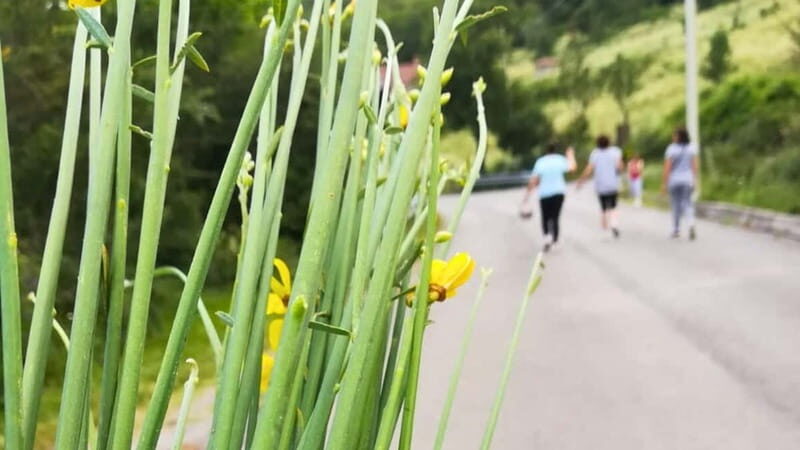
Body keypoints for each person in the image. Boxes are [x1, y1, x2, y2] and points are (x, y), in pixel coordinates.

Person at [522, 143, 577, 252]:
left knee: (545, 216)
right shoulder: (560, 159)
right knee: (555, 216)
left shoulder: (541, 162)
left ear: (546, 151)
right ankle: (555, 238)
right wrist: (570, 155)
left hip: (545, 193)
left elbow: (534, 179)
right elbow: (572, 168)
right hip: (558, 192)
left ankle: (547, 236)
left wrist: (527, 195)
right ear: (555, 150)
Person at [577, 135, 624, 238]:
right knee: (613, 206)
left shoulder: (595, 154)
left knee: (603, 206)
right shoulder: (616, 152)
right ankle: (614, 224)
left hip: (601, 185)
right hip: (613, 184)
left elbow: (589, 169)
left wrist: (581, 181)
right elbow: (620, 167)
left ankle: (604, 223)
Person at [662, 127, 699, 240]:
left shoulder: (671, 149)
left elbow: (667, 168)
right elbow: (694, 166)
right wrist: (695, 180)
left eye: (674, 135)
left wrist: (664, 183)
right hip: (688, 180)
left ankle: (676, 230)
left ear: (679, 137)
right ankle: (691, 224)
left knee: (676, 205)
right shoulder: (692, 148)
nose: (673, 137)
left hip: (674, 180)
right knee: (687, 203)